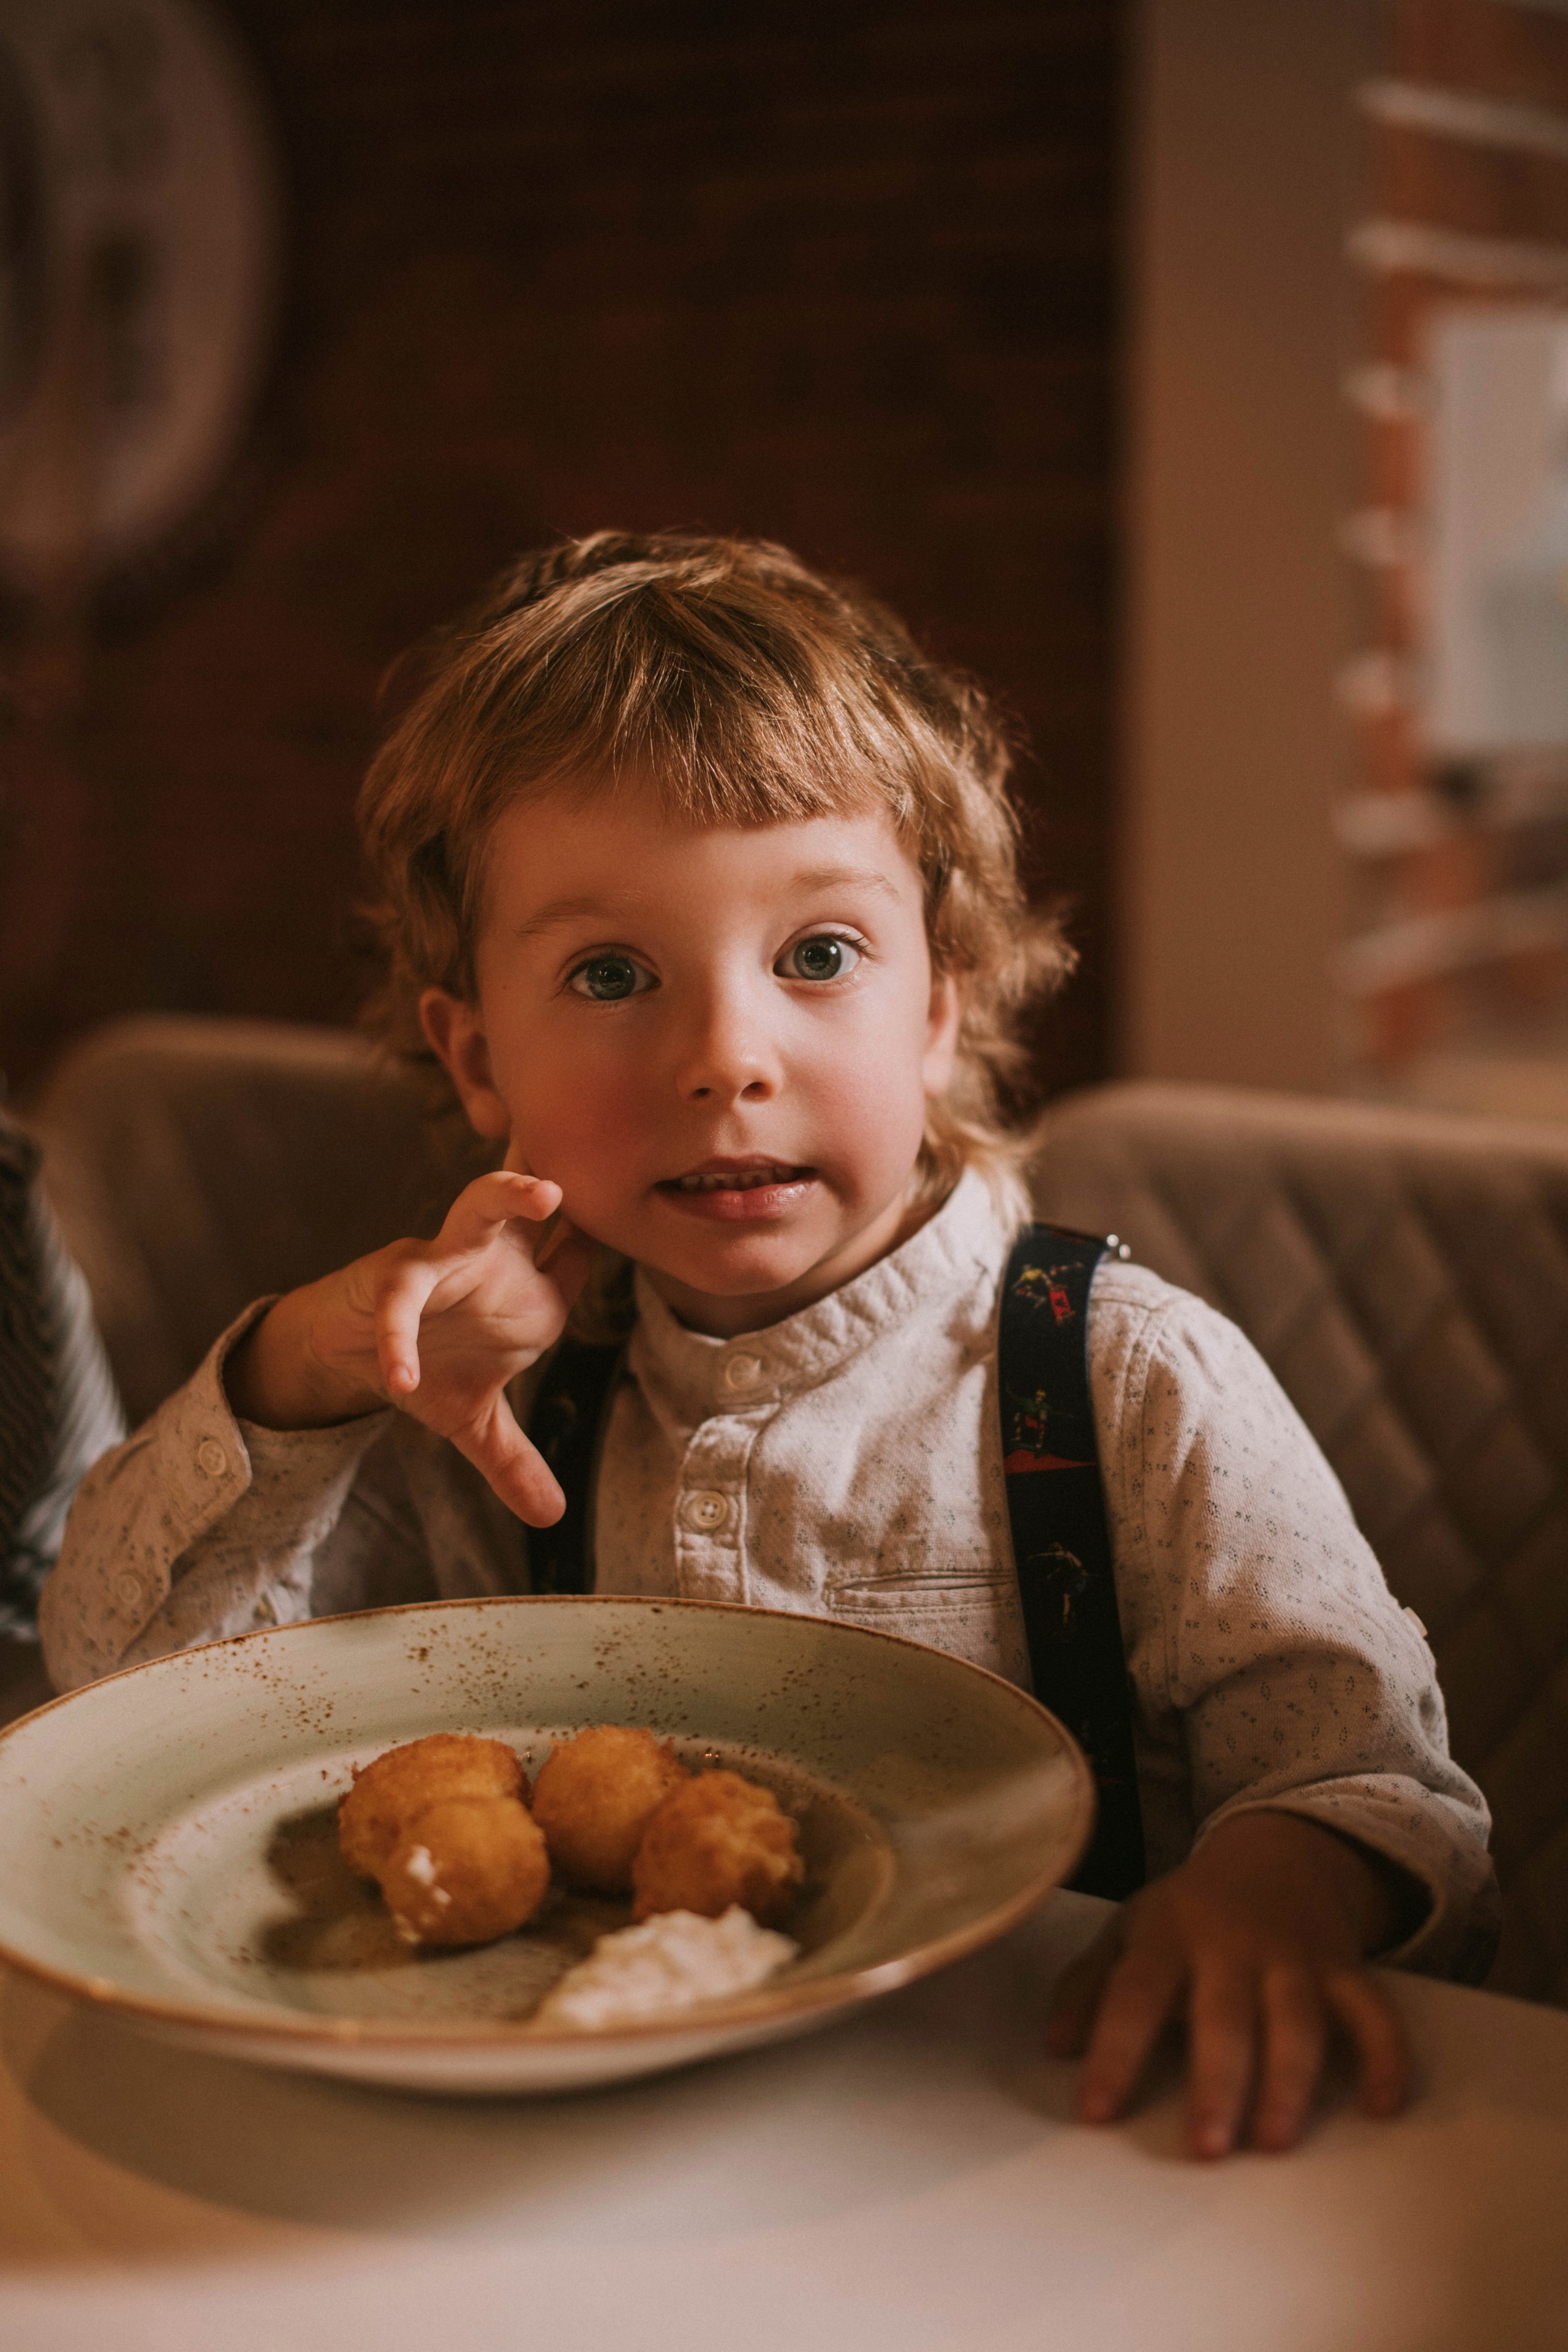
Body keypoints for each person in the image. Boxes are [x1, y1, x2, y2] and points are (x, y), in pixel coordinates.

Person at [42, 531, 1497, 2158]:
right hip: (577, 2168)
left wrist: (1273, 1894)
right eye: (610, 973)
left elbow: (1379, 1788)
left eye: (818, 956)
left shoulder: (1121, 1381)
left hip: (1032, 2146)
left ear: (939, 1000)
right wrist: (298, 1380)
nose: (729, 1056)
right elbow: (122, 1692)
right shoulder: (487, 1408)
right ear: (473, 1056)